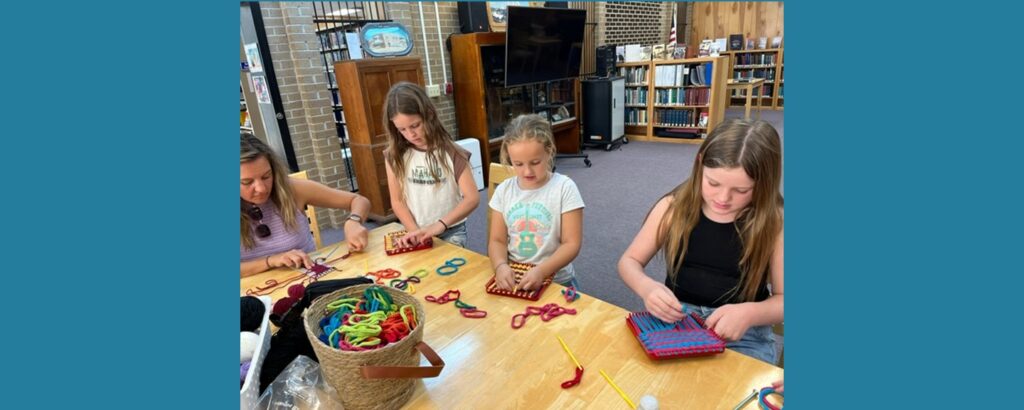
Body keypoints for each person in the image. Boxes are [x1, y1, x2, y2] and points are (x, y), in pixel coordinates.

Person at [617, 119, 783, 364]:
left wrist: (750, 313)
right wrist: (646, 288)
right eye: (713, 183)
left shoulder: (776, 222)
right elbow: (628, 262)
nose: (723, 198)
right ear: (700, 163)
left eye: (741, 190)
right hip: (677, 321)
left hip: (744, 334)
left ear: (764, 184)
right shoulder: (673, 207)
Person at [240, 133, 370, 277]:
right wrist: (271, 261)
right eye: (247, 182)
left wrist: (354, 221)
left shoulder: (293, 189)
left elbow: (358, 201)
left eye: (266, 176)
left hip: (310, 281)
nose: (262, 188)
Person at [489, 114, 584, 291]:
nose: (526, 171)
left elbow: (572, 244)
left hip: (557, 280)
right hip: (515, 277)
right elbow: (497, 240)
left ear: (549, 151)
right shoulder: (504, 190)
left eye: (535, 162)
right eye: (518, 164)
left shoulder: (565, 188)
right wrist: (500, 266)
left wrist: (542, 271)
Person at [383, 82, 480, 248]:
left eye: (415, 125)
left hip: (451, 230)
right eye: (402, 129)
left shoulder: (454, 153)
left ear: (429, 115)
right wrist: (414, 231)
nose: (411, 134)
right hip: (415, 229)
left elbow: (472, 198)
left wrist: (439, 225)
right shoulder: (394, 155)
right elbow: (397, 201)